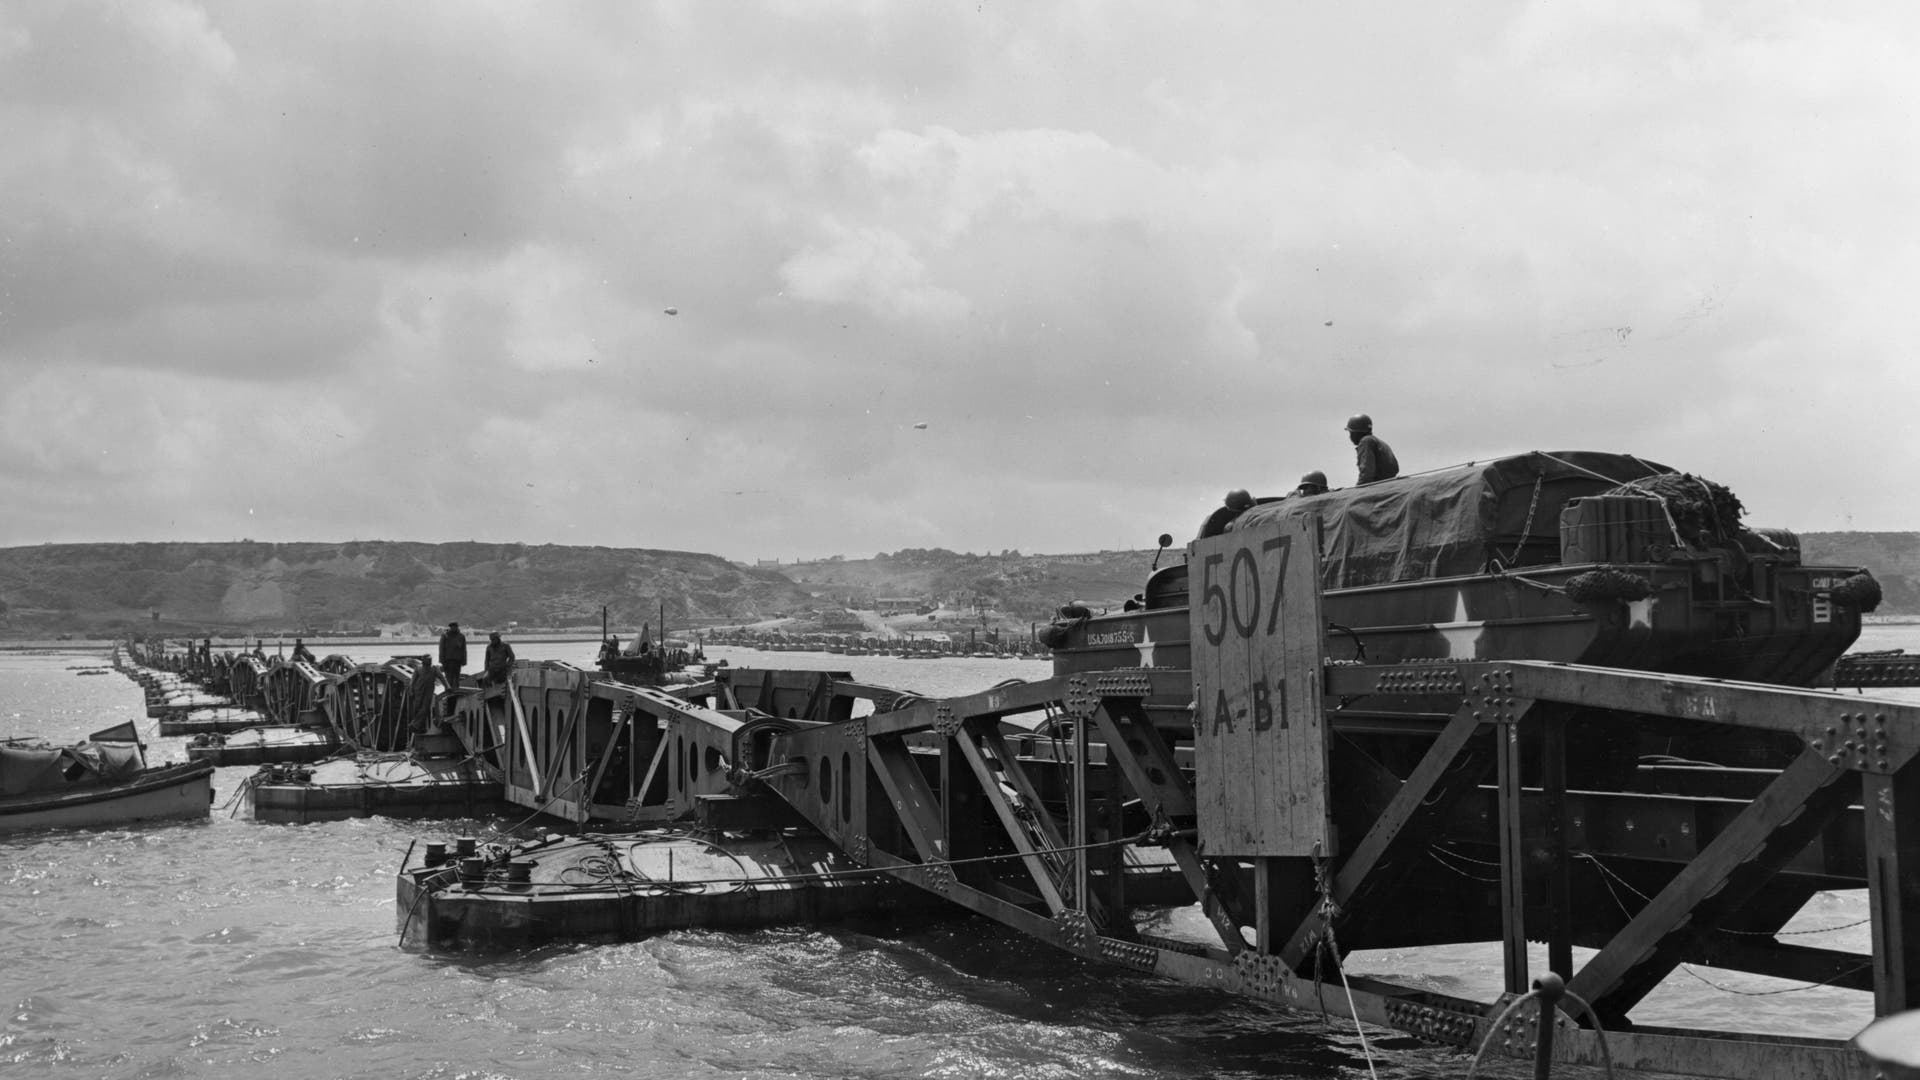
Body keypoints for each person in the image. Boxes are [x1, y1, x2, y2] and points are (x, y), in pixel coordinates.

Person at [1346, 414, 1399, 484]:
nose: (1350, 436)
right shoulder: (1379, 442)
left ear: (1356, 432)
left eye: (1351, 432)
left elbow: (1366, 473)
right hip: (1389, 484)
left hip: (1378, 486)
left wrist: (1358, 489)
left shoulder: (1366, 441)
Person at [438, 622, 468, 693]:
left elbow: (464, 649)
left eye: (455, 627)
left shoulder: (461, 636)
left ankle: (456, 691)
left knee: (456, 678)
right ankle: (448, 692)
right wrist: (442, 661)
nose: (453, 628)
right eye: (452, 627)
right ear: (450, 627)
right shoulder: (445, 636)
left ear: (457, 627)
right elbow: (441, 649)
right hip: (448, 661)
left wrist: (464, 661)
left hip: (458, 661)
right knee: (448, 679)